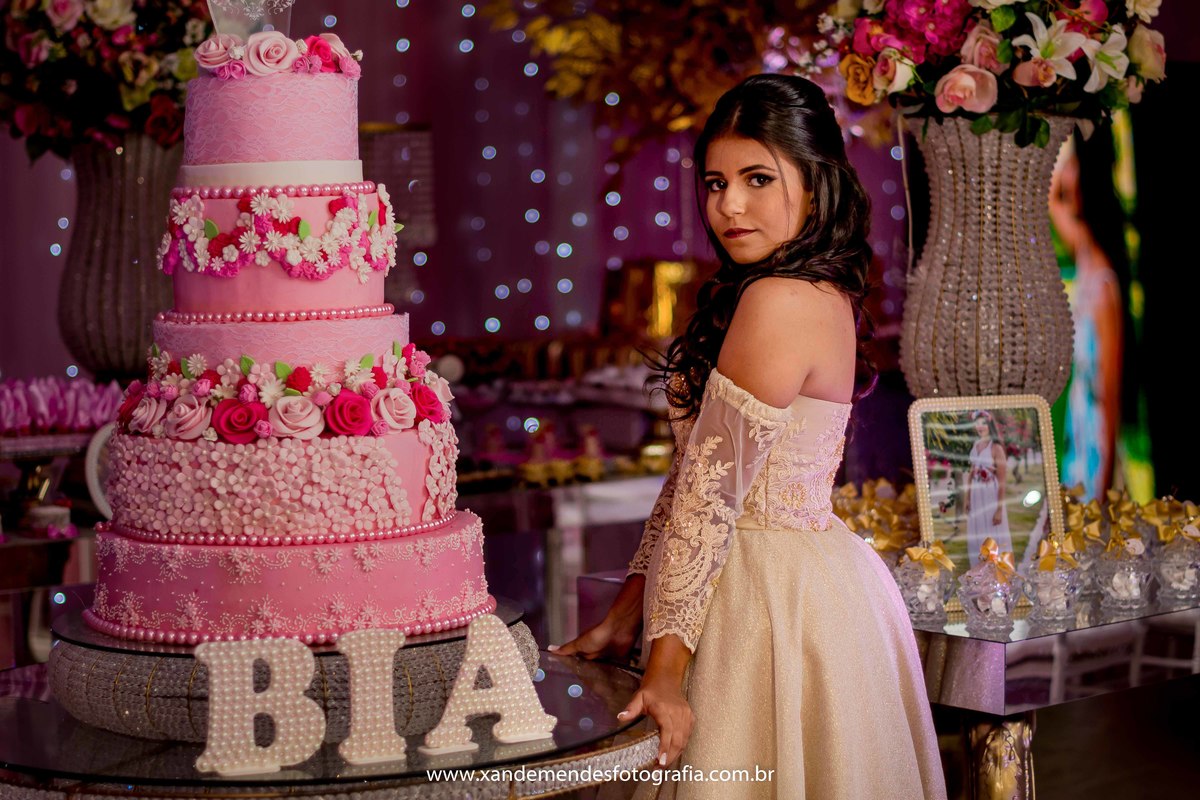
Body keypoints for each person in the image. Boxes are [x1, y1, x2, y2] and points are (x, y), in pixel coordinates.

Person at [550, 75, 945, 799]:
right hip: (792, 580)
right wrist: (626, 614)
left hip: (767, 595)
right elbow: (693, 479)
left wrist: (666, 672)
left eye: (757, 179)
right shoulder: (805, 288)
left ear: (816, 185)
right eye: (715, 182)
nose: (728, 204)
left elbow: (709, 497)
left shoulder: (779, 299)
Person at [964, 410, 1013, 565]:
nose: (980, 426)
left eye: (983, 423)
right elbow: (971, 473)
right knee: (978, 530)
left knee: (991, 532)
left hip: (990, 495)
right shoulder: (975, 445)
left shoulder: (996, 448)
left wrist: (999, 509)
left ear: (989, 425)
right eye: (977, 423)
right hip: (976, 495)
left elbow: (1002, 480)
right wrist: (967, 498)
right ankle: (979, 569)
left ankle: (997, 568)